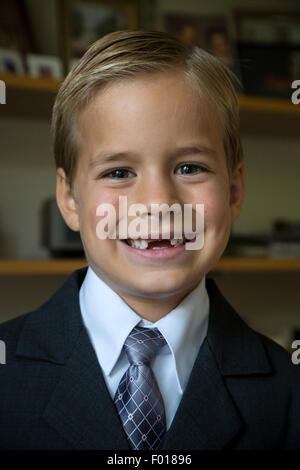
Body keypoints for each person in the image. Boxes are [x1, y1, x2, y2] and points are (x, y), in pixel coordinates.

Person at [0, 29, 299, 450]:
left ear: (233, 191)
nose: (158, 203)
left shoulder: (290, 389)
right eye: (119, 173)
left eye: (190, 167)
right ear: (69, 198)